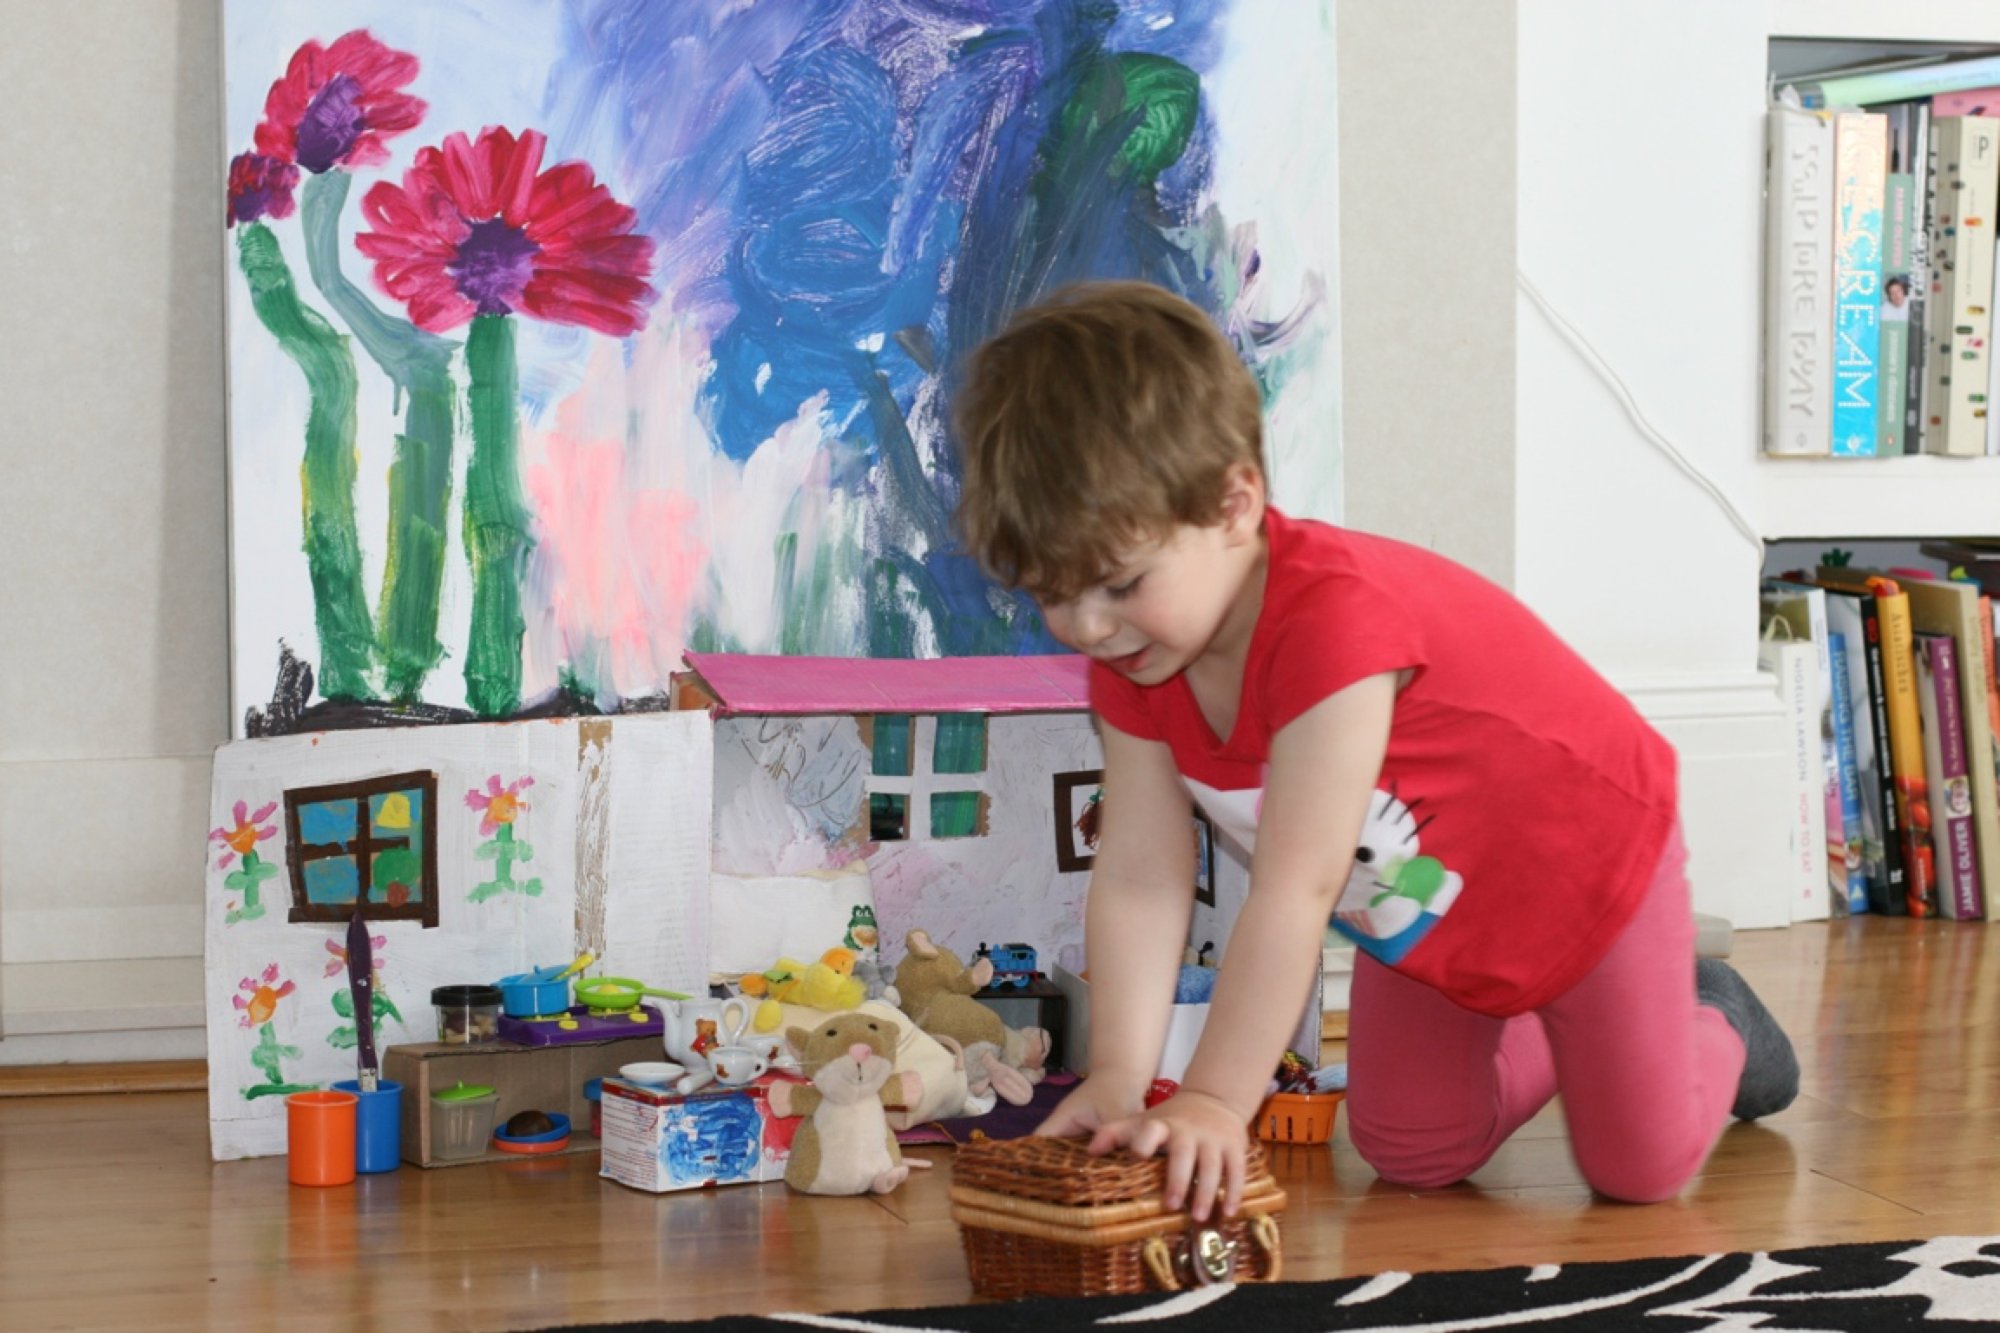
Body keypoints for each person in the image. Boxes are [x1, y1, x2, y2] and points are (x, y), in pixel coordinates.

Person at [951, 280, 1799, 1224]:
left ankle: (1712, 1013)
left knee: (1637, 1168)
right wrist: (1120, 1073)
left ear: (1235, 502)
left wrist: (1217, 1099)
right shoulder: (1138, 657)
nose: (1087, 627)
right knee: (1413, 1150)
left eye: (1118, 583)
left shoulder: (1332, 623)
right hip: (1432, 917)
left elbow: (1296, 889)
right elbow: (1145, 876)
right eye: (1050, 596)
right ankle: (1584, 1036)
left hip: (1589, 874)